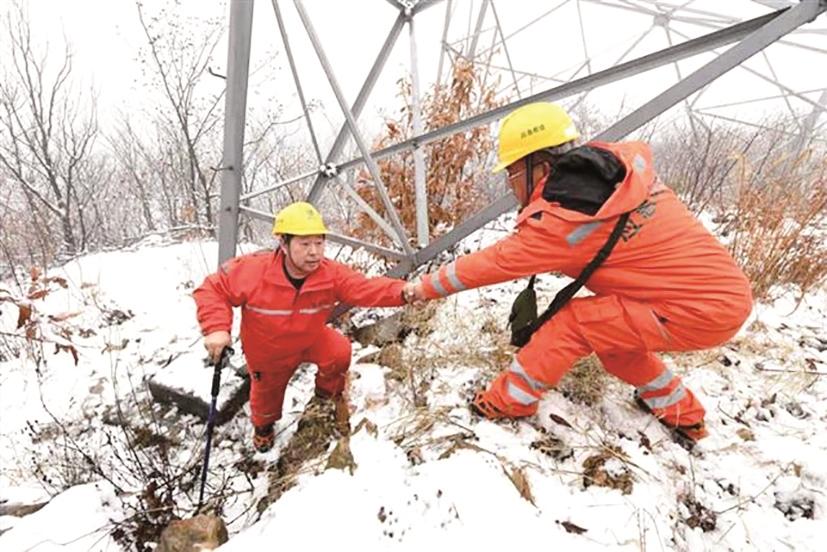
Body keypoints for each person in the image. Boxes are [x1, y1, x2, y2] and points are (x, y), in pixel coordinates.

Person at [408, 102, 752, 444]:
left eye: (512, 174)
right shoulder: (618, 176)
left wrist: (422, 288)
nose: (511, 186)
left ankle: (510, 402)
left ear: (539, 168)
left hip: (701, 310)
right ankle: (685, 416)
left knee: (576, 323)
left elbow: (491, 264)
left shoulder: (566, 220)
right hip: (723, 295)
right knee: (615, 344)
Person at [194, 201, 417, 452]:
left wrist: (406, 291)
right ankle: (264, 428)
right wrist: (216, 328)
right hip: (268, 351)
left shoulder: (329, 274)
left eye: (319, 243)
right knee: (266, 400)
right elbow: (213, 289)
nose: (314, 252)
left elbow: (364, 287)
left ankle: (325, 396)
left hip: (309, 337)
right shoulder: (253, 270)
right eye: (304, 244)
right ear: (284, 244)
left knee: (339, 351)